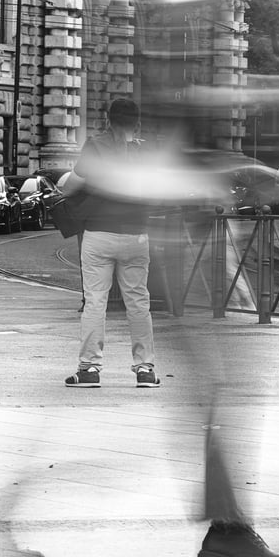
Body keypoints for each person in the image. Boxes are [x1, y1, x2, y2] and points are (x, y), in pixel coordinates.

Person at [62, 97, 159, 388]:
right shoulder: (146, 151)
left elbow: (73, 184)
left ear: (108, 120)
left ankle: (89, 369)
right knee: (138, 302)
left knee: (95, 301)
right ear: (137, 123)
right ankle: (145, 369)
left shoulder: (96, 146)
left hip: (99, 234)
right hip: (136, 235)